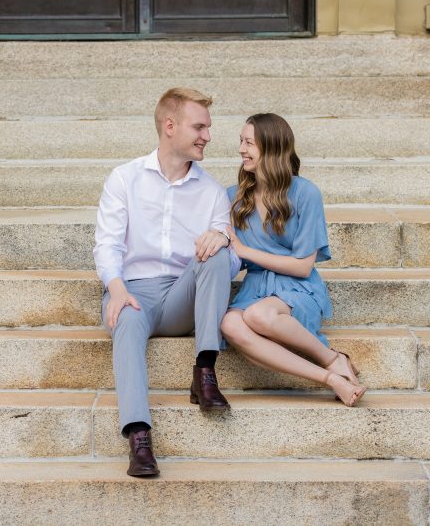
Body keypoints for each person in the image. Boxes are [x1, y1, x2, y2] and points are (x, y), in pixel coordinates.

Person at [94, 87, 235, 478]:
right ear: (170, 126)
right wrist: (117, 288)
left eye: (208, 127)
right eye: (200, 126)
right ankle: (139, 437)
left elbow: (228, 262)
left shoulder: (211, 192)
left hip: (181, 296)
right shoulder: (125, 178)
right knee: (125, 320)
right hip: (134, 291)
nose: (208, 135)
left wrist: (222, 238)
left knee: (218, 251)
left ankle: (204, 369)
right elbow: (106, 244)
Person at [221, 113, 366, 407]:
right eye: (240, 141)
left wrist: (245, 251)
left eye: (248, 142)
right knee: (229, 325)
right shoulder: (233, 197)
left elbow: (303, 265)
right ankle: (331, 376)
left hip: (297, 288)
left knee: (258, 316)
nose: (241, 149)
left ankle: (331, 358)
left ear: (271, 147)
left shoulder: (304, 193)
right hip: (255, 289)